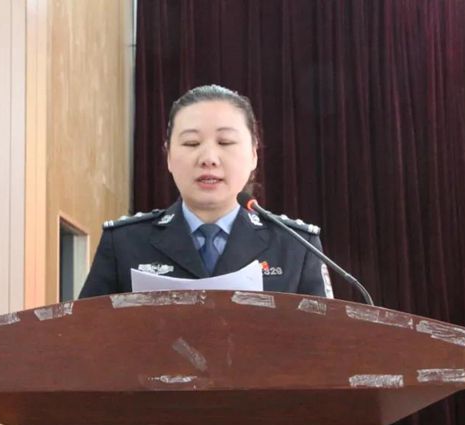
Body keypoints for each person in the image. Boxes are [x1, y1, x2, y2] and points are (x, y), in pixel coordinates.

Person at [78, 84, 334, 299]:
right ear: (168, 157)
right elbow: (87, 336)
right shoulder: (124, 243)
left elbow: (324, 338)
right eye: (191, 143)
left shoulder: (296, 246)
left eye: (225, 142)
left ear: (253, 155)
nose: (209, 158)